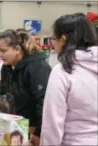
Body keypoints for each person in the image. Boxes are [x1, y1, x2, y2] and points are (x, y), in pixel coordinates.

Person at [40, 13, 98, 145]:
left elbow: (53, 122)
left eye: (53, 39)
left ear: (63, 40)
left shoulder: (63, 71)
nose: (53, 44)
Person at [0, 29, 51, 146]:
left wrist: (38, 132)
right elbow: (3, 93)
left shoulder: (37, 67)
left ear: (17, 49)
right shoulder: (7, 67)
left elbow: (44, 103)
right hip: (14, 124)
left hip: (33, 127)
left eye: (3, 50)